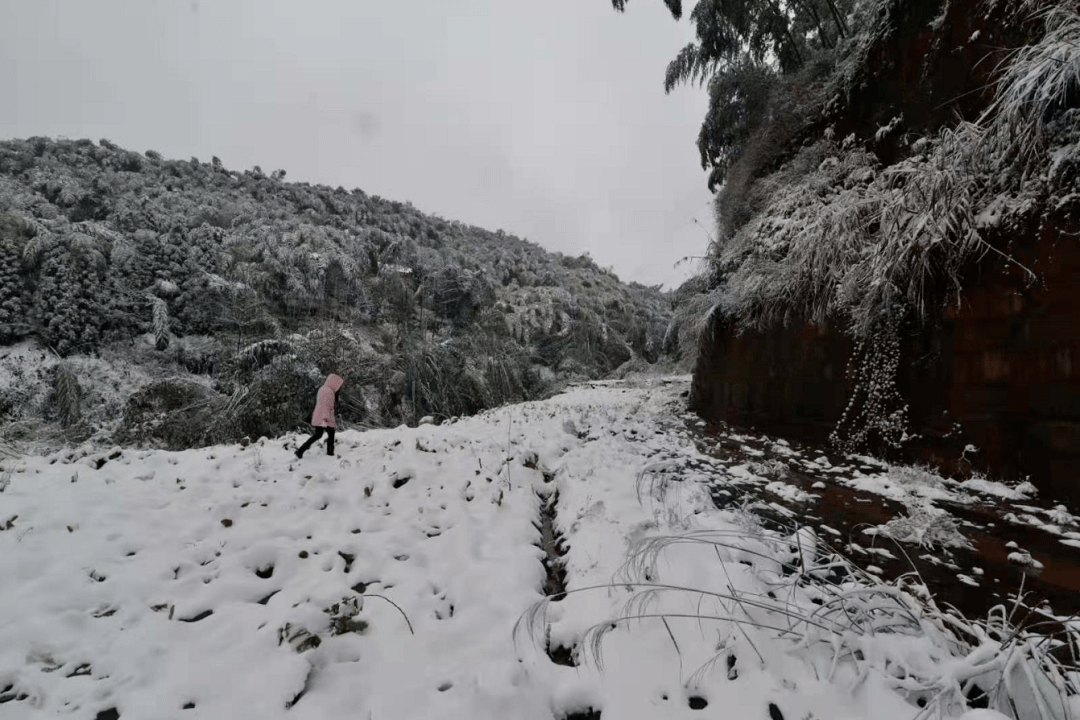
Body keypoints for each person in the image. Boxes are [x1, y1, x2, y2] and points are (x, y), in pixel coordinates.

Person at [295, 374, 344, 458]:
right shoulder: (329, 392)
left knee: (318, 435)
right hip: (325, 417)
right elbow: (327, 407)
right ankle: (330, 453)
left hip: (319, 416)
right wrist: (326, 419)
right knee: (331, 433)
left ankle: (300, 450)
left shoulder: (322, 389)